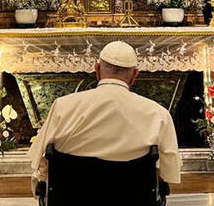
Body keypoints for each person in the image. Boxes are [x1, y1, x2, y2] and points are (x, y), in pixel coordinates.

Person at [28, 41, 181, 196]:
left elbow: (38, 160)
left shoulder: (62, 107)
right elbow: (168, 173)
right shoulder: (158, 114)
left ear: (97, 69)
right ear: (135, 75)